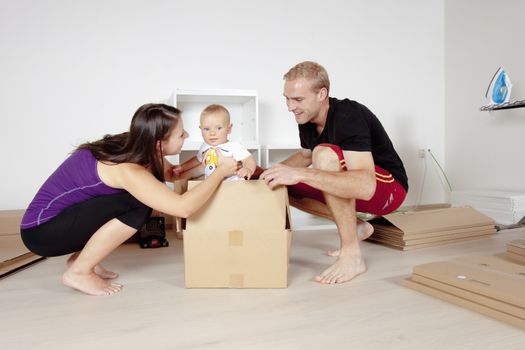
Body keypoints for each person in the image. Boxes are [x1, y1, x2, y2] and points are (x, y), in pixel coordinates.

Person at [20, 103, 239, 296]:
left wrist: (211, 163)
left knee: (141, 195)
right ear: (159, 143)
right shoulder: (128, 170)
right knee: (138, 203)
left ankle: (82, 260)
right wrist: (219, 173)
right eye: (181, 134)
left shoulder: (138, 142)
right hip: (42, 232)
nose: (188, 135)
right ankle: (79, 272)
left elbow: (172, 173)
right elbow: (183, 208)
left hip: (61, 220)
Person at [260, 61, 408, 285]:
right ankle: (358, 226)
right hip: (357, 186)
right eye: (287, 99)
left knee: (325, 154)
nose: (290, 107)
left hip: (388, 188)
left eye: (298, 99)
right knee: (280, 186)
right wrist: (267, 175)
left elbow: (366, 186)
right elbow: (305, 156)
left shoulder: (348, 115)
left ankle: (352, 255)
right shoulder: (307, 118)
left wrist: (301, 175)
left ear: (322, 94)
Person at [174, 104, 257, 181]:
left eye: (219, 128)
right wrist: (182, 167)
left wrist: (248, 169)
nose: (212, 133)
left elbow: (249, 159)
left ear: (229, 128)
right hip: (212, 186)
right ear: (201, 129)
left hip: (232, 186)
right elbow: (197, 160)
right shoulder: (204, 146)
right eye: (207, 129)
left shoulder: (234, 146)